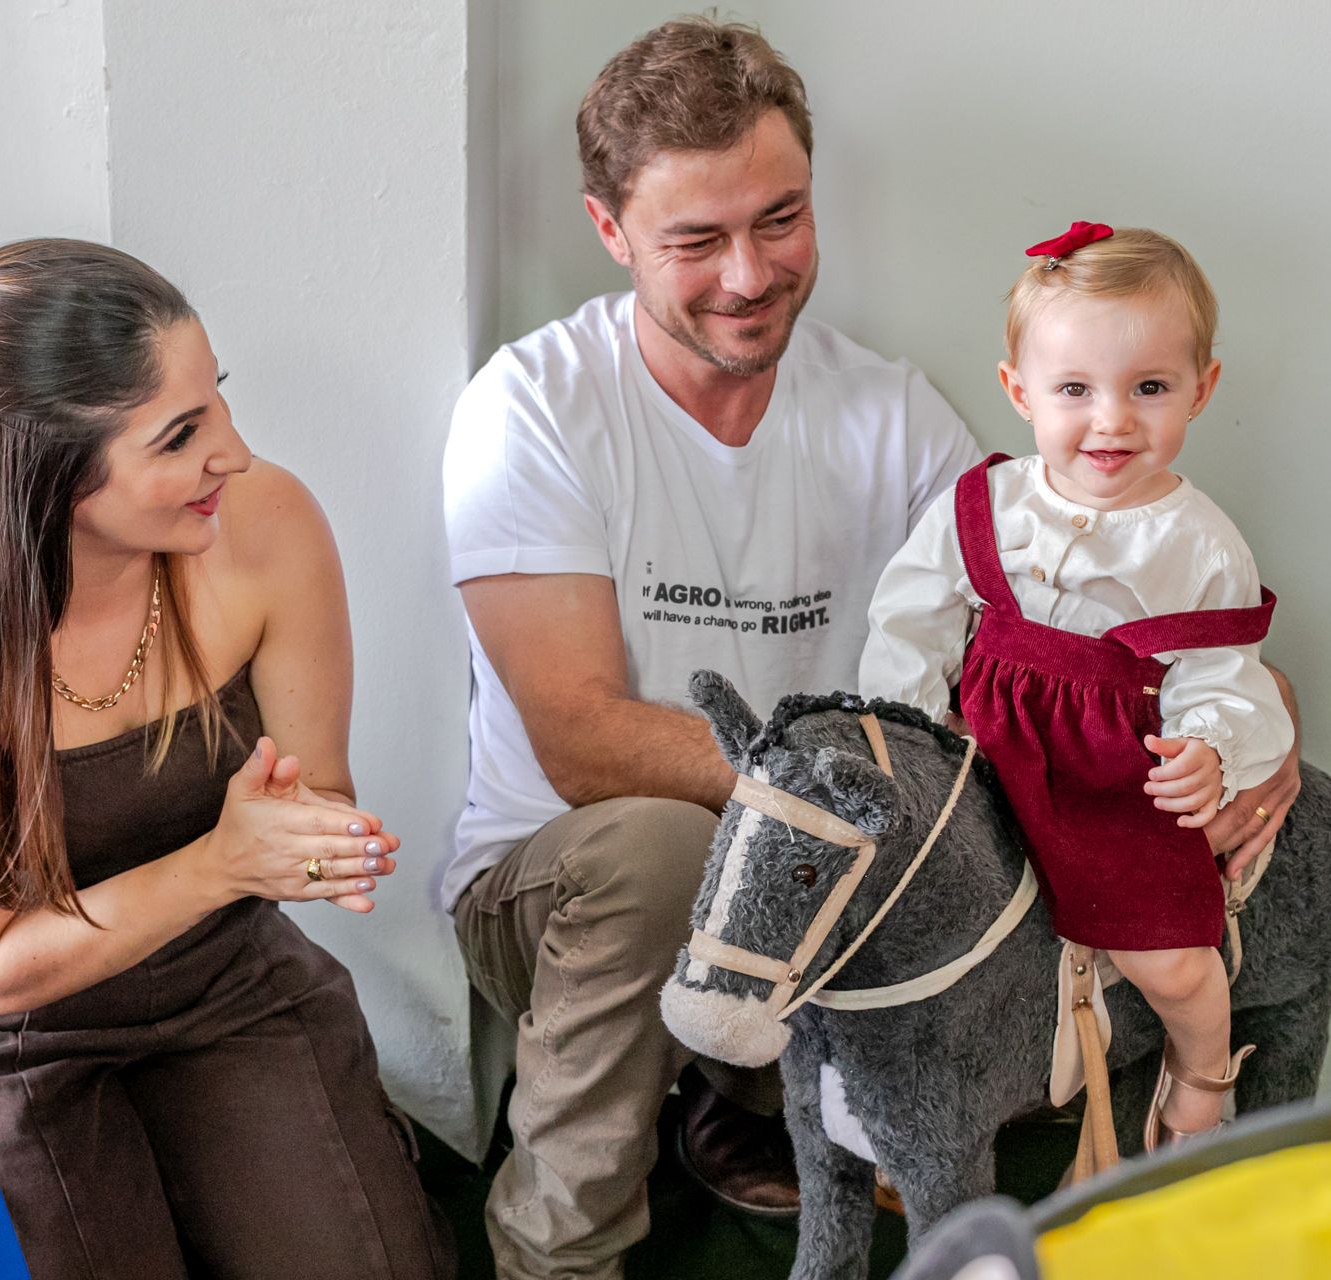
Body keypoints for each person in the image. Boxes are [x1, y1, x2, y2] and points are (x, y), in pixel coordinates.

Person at [441, 19, 984, 1279]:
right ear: (610, 229)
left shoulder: (892, 413)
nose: (749, 274)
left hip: (812, 873)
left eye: (780, 220)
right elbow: (580, 740)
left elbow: (1034, 616)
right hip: (566, 880)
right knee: (663, 845)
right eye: (695, 241)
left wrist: (1226, 710)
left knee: (979, 802)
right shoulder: (534, 404)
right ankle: (558, 1248)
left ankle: (749, 1094)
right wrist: (836, 798)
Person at [0, 239, 452, 1280]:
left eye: (218, 399)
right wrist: (223, 862)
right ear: (48, 476)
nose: (235, 452)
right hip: (9, 1038)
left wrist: (316, 841)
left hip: (224, 983)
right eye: (181, 435)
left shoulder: (267, 522)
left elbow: (318, 793)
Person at [855, 222, 1295, 1147]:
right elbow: (911, 618)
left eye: (1149, 388)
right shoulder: (984, 504)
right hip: (982, 753)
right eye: (1074, 390)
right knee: (897, 908)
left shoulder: (1200, 545)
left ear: (1202, 388)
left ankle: (1202, 1072)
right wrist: (909, 731)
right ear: (1019, 391)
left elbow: (1220, 673)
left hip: (1110, 777)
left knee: (1172, 959)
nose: (1112, 421)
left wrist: (1209, 748)